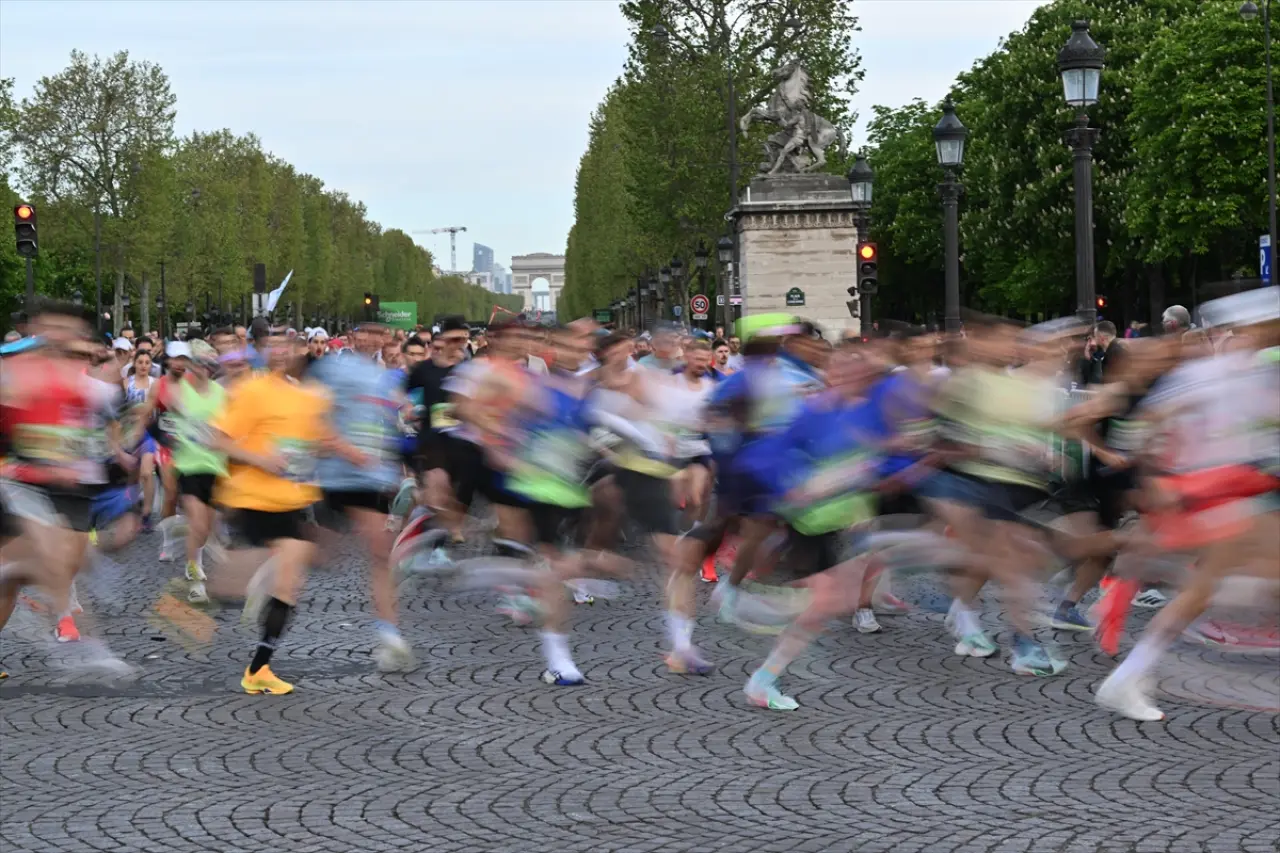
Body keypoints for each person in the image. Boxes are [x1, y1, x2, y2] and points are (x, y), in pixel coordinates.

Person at [210, 326, 336, 695]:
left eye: (287, 345)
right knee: (226, 588)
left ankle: (259, 668)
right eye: (272, 346)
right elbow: (217, 438)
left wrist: (333, 447)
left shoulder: (306, 396)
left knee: (289, 584)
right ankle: (175, 622)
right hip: (251, 498)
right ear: (262, 351)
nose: (280, 352)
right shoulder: (252, 391)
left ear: (297, 350)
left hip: (291, 502)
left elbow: (317, 443)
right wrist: (260, 458)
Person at [309, 320, 412, 671]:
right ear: (353, 337)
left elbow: (390, 424)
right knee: (319, 556)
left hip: (370, 478)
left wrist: (393, 468)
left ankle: (390, 638)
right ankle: (257, 580)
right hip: (336, 476)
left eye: (378, 334)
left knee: (381, 554)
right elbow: (313, 415)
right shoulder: (333, 367)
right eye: (365, 333)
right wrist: (342, 447)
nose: (372, 339)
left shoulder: (388, 375)